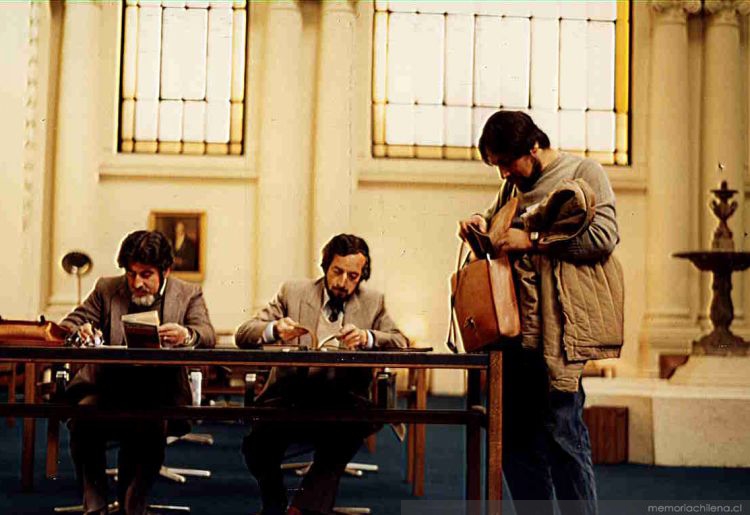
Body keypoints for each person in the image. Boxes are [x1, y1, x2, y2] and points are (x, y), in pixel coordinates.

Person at [459, 111, 622, 515]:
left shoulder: (585, 171)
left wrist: (532, 240)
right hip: (513, 336)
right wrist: (480, 227)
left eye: (506, 163)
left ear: (533, 147)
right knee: (513, 444)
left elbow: (603, 238)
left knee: (563, 438)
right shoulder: (514, 186)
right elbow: (500, 241)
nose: (502, 175)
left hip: (556, 333)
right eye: (495, 166)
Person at [235, 233, 408, 515]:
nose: (342, 282)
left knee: (345, 433)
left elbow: (400, 341)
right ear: (325, 265)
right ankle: (278, 504)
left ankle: (302, 509)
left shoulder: (373, 302)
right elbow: (244, 333)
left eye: (353, 276)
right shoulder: (294, 292)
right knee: (256, 447)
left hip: (343, 398)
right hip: (291, 396)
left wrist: (368, 337)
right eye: (337, 272)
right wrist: (274, 329)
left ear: (362, 275)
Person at [60, 230, 216, 515]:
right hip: (106, 388)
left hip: (160, 392)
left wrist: (186, 334)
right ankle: (94, 500)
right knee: (83, 419)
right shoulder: (107, 288)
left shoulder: (187, 293)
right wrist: (80, 330)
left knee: (149, 423)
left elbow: (206, 334)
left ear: (165, 271)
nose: (137, 283)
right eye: (131, 274)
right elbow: (69, 323)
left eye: (146, 274)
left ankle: (135, 501)